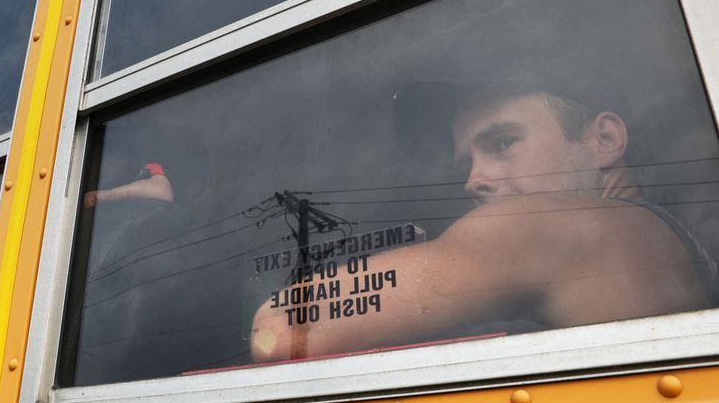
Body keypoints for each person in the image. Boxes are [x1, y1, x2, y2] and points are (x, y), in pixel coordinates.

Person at [250, 79, 715, 363]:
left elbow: (282, 330)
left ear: (605, 139)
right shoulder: (662, 240)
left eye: (503, 142)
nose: (474, 180)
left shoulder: (550, 222)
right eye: (464, 165)